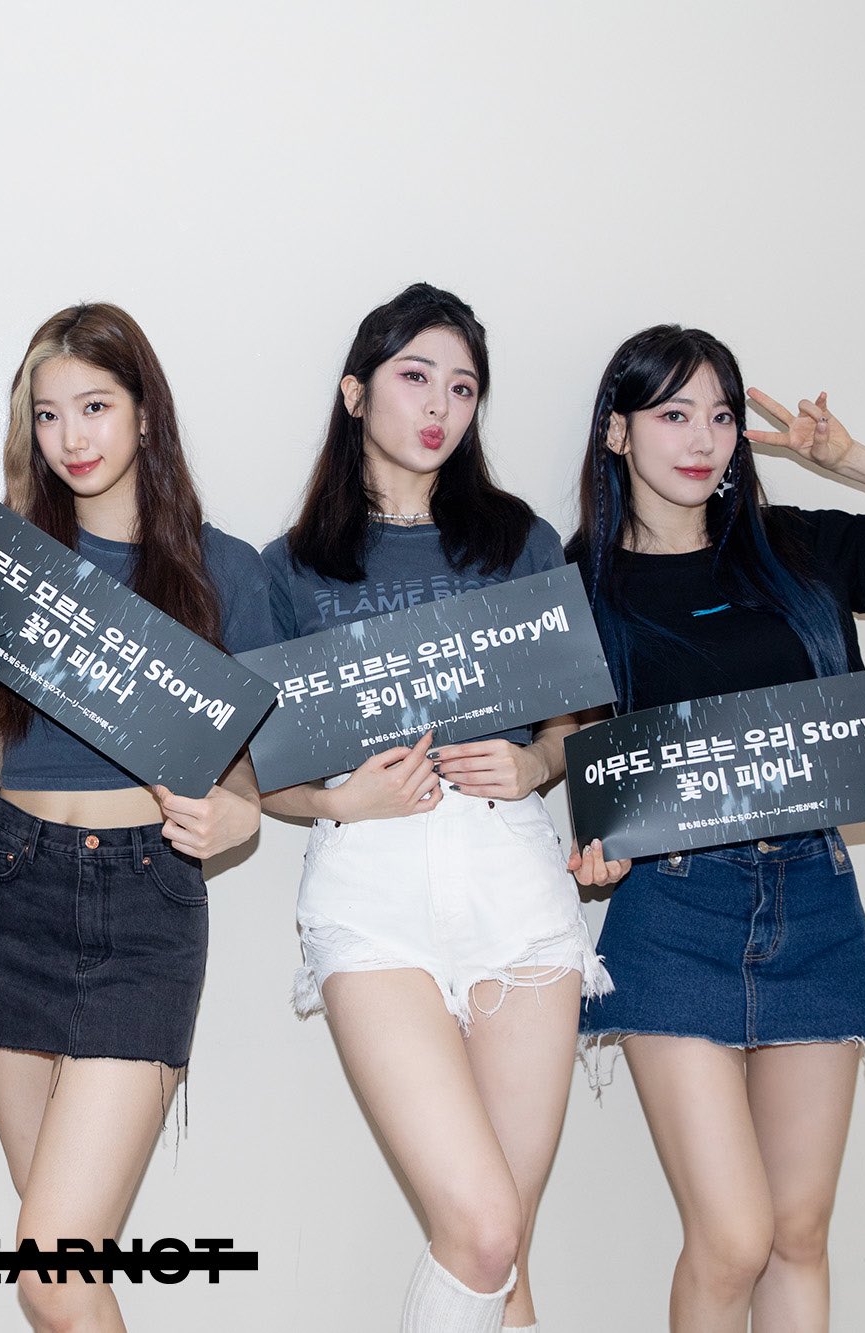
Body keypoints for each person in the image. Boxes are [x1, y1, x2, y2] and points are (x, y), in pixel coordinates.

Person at [567, 324, 865, 1331]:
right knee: (732, 1237)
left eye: (720, 415)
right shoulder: (579, 587)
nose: (702, 438)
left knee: (799, 1232)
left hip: (813, 894)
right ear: (617, 432)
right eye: (673, 413)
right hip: (670, 907)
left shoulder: (793, 546)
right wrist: (591, 851)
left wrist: (844, 457)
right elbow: (571, 752)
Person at [258, 283, 608, 1333]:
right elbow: (259, 774)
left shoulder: (519, 541)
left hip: (512, 878)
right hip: (370, 885)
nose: (439, 406)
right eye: (415, 376)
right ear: (355, 392)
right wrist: (342, 798)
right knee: (483, 1230)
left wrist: (535, 765)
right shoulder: (289, 569)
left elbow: (578, 723)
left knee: (507, 1249)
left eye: (462, 387)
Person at [0, 302, 279, 1331]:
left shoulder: (224, 570)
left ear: (144, 413)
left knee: (49, 1271)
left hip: (144, 903)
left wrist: (236, 821)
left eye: (93, 406)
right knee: (64, 1271)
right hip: (12, 887)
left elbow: (253, 781)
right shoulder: (10, 562)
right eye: (47, 415)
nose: (71, 438)